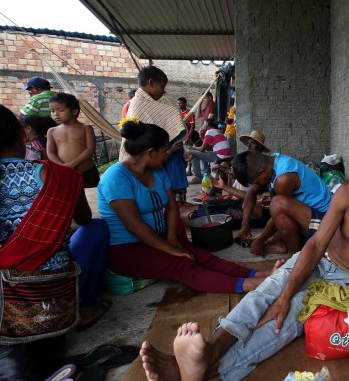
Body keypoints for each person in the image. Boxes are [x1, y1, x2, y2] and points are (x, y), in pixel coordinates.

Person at [139, 141, 349, 381]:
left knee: (291, 314)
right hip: (322, 258)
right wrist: (285, 290)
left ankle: (207, 369)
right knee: (267, 294)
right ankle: (209, 350)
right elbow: (318, 243)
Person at [99, 118, 282, 294]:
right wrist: (171, 250)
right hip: (127, 247)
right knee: (181, 264)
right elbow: (134, 225)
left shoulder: (157, 171)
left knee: (201, 256)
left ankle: (257, 274)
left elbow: (171, 206)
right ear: (150, 153)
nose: (167, 155)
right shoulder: (116, 177)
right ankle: (251, 284)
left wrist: (172, 240)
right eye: (165, 150)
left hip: (159, 237)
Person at [0, 104, 110, 380]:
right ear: (21, 135)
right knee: (96, 228)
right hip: (45, 300)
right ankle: (87, 307)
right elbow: (84, 218)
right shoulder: (58, 176)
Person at [231, 150, 333, 254]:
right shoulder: (272, 161)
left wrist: (258, 242)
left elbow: (277, 212)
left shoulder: (283, 178)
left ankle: (295, 257)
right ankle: (280, 244)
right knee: (276, 206)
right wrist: (245, 225)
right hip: (310, 214)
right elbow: (251, 192)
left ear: (261, 172)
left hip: (327, 222)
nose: (258, 184)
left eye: (257, 182)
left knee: (277, 205)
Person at [122, 66, 189, 203]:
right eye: (162, 86)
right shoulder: (138, 105)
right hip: (160, 159)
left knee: (170, 196)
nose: (164, 91)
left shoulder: (161, 101)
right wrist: (169, 149)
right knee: (163, 197)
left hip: (167, 158)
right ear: (151, 83)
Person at [46, 92, 100, 188]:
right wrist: (63, 166)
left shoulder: (86, 128)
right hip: (64, 172)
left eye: (60, 110)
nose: (55, 114)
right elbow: (50, 152)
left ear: (74, 111)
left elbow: (90, 150)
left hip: (86, 171)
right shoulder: (52, 131)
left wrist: (72, 164)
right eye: (52, 111)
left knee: (92, 196)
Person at [188, 118, 232, 184]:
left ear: (207, 124)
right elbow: (207, 148)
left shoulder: (209, 132)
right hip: (224, 155)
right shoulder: (216, 131)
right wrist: (201, 135)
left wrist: (194, 148)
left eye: (204, 124)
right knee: (203, 154)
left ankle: (198, 177)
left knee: (192, 153)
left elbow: (202, 149)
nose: (202, 126)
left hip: (220, 156)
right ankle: (206, 175)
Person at [177, 97, 196, 176]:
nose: (178, 105)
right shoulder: (178, 113)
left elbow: (192, 126)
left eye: (180, 103)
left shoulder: (189, 113)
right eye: (178, 103)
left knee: (188, 151)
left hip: (187, 135)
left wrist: (188, 137)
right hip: (180, 136)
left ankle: (189, 169)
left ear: (185, 103)